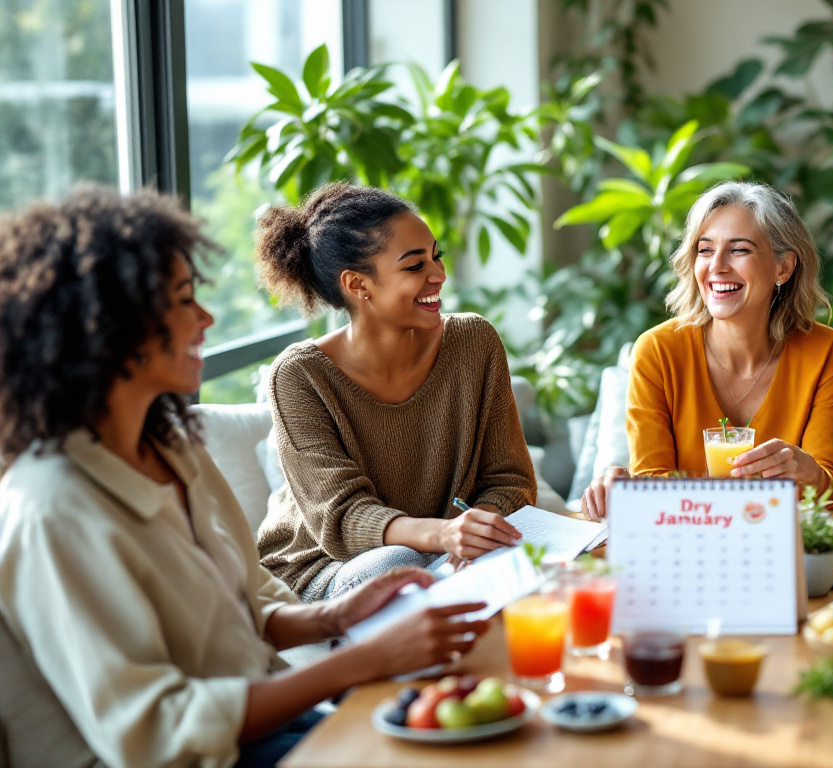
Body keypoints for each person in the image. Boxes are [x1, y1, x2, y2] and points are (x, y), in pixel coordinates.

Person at [0, 187, 491, 768]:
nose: (206, 319)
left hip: (273, 727)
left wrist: (341, 616)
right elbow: (156, 735)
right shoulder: (55, 509)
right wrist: (363, 659)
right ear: (109, 327)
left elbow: (248, 604)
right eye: (184, 300)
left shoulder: (172, 446)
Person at [252, 182, 536, 600]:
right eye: (414, 266)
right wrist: (445, 535)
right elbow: (344, 519)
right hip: (330, 566)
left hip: (442, 548)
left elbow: (508, 478)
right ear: (357, 284)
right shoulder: (300, 376)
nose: (438, 275)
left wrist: (478, 531)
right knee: (398, 566)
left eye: (436, 257)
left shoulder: (474, 341)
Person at [582, 181, 833, 519]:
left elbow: (830, 490)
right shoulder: (657, 351)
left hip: (782, 546)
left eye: (739, 250)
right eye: (705, 249)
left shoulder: (828, 352)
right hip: (687, 546)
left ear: (783, 267)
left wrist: (808, 472)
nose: (717, 266)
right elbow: (653, 480)